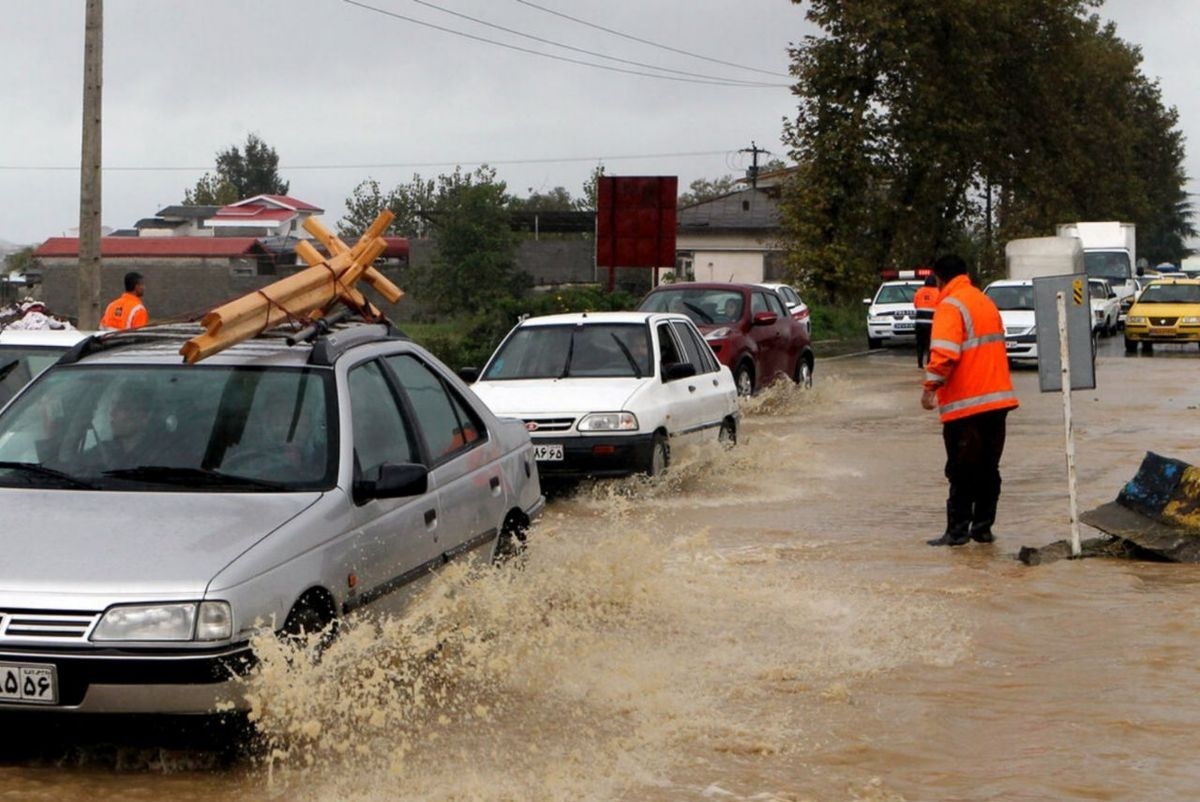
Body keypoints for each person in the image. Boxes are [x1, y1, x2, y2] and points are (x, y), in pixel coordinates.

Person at [921, 254, 1019, 547]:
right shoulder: (984, 302)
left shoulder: (949, 306)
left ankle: (957, 533)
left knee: (961, 470)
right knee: (988, 468)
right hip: (998, 402)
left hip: (966, 404)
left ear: (939, 280)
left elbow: (945, 354)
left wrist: (930, 387)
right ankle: (983, 529)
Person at [912, 274, 938, 368]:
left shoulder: (919, 292)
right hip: (932, 323)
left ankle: (919, 363)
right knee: (930, 344)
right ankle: (929, 362)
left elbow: (915, 305)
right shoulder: (938, 292)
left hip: (919, 322)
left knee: (920, 343)